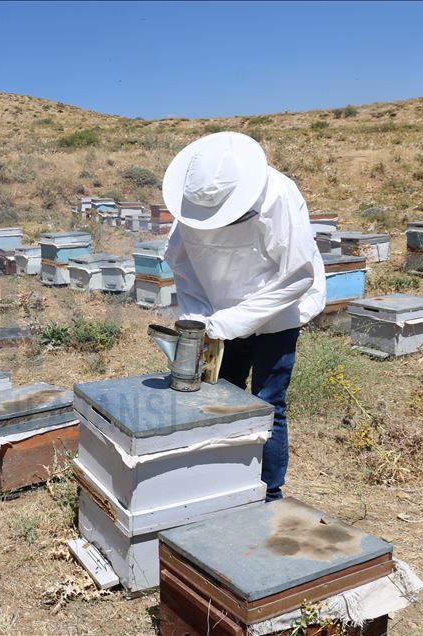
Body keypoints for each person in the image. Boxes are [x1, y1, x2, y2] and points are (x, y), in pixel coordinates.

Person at [161, 131, 326, 501]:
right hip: (219, 315)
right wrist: (199, 319)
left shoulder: (280, 196)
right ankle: (225, 482)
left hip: (278, 313)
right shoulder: (189, 206)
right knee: (222, 396)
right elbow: (182, 265)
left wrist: (226, 323)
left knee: (268, 403)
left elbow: (297, 277)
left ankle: (269, 492)